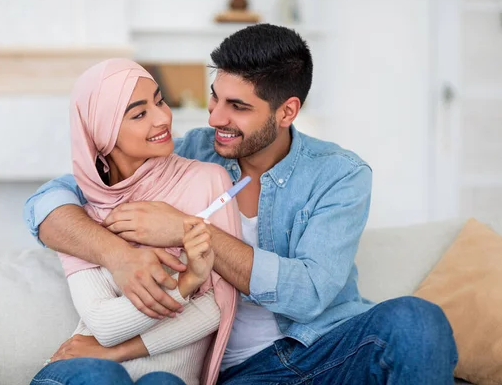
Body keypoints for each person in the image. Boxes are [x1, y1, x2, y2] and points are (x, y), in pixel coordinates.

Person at [25, 24, 458, 384]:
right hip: (240, 374)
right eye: (215, 97)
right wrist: (116, 255)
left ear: (286, 111)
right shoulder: (190, 155)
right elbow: (54, 200)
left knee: (417, 321)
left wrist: (188, 230)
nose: (214, 117)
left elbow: (308, 295)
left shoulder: (340, 175)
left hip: (329, 351)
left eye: (237, 107)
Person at [32, 58, 243, 385]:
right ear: (103, 130)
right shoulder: (80, 215)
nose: (163, 118)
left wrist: (115, 352)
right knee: (104, 376)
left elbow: (216, 309)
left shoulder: (207, 182)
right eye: (139, 113)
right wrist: (187, 284)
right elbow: (102, 324)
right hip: (83, 374)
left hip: (160, 377)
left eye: (159, 100)